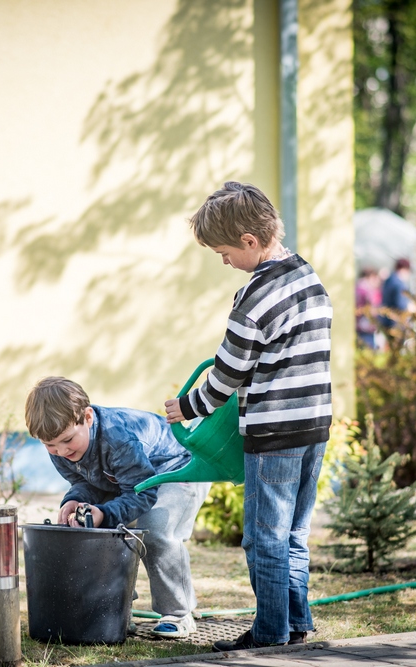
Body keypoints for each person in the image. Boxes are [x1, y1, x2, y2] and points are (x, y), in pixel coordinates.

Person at [163, 182, 331, 651]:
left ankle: (270, 633)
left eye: (224, 253)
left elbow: (228, 374)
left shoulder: (253, 298)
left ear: (250, 241)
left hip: (274, 431)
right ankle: (296, 624)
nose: (223, 261)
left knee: (263, 538)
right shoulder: (307, 276)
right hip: (316, 424)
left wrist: (188, 407)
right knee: (294, 533)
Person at [25, 377, 211, 639]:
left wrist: (106, 513)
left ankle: (178, 613)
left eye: (67, 440)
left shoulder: (118, 438)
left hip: (178, 469)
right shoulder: (60, 444)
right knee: (99, 529)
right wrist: (74, 500)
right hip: (134, 481)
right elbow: (84, 481)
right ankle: (117, 610)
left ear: (87, 418)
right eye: (50, 445)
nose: (61, 451)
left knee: (156, 531)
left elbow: (142, 493)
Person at [379, 257, 414, 334]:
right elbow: (401, 305)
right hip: (395, 322)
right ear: (404, 269)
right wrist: (411, 307)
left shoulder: (389, 280)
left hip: (386, 320)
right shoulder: (399, 284)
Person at [355, 267, 382, 349]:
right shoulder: (366, 290)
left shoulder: (358, 287)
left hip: (359, 325)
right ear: (371, 276)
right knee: (368, 348)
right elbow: (372, 308)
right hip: (365, 326)